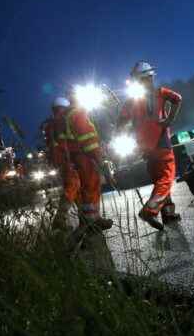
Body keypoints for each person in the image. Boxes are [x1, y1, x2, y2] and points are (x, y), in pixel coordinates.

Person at [118, 60, 182, 230]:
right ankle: (149, 210)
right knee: (166, 178)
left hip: (145, 148)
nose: (153, 79)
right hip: (162, 144)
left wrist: (125, 135)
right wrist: (169, 119)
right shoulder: (160, 92)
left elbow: (121, 122)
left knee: (159, 179)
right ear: (148, 77)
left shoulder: (130, 101)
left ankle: (168, 214)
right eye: (151, 77)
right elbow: (177, 99)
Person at [60, 96, 114, 232]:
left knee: (85, 188)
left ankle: (89, 220)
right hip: (84, 157)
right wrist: (99, 160)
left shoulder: (67, 115)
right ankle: (92, 222)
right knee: (91, 185)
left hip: (76, 157)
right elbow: (88, 140)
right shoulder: (78, 113)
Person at [45, 97, 81, 215]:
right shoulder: (62, 121)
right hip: (66, 159)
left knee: (76, 187)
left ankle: (84, 218)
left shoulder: (50, 124)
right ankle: (60, 216)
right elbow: (64, 143)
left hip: (59, 161)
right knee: (73, 185)